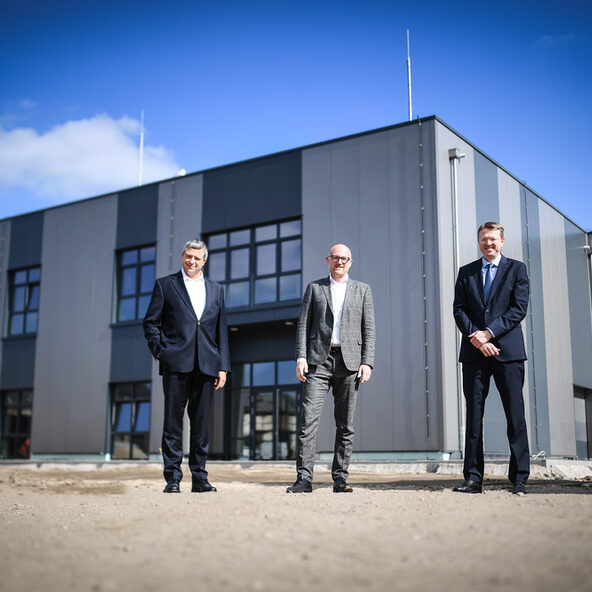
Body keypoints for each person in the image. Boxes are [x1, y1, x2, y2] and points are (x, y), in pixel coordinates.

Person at [287, 244, 375, 493]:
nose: (339, 262)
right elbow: (303, 325)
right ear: (328, 260)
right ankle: (304, 479)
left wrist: (367, 362)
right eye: (335, 257)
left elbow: (369, 329)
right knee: (308, 421)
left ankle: (340, 479)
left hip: (350, 363)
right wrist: (301, 357)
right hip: (318, 361)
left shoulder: (363, 290)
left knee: (345, 425)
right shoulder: (315, 288)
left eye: (344, 258)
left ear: (350, 262)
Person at [143, 239, 230, 493]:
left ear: (204, 261)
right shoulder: (165, 285)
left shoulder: (216, 289)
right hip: (175, 363)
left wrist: (223, 366)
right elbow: (150, 322)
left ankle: (200, 478)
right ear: (182, 257)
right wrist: (160, 351)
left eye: (196, 258)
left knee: (201, 425)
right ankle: (173, 478)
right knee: (173, 423)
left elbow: (221, 330)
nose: (191, 261)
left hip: (207, 365)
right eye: (188, 256)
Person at [453, 222, 530, 495]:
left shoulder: (517, 269)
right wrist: (477, 337)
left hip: (508, 353)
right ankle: (473, 479)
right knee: (474, 416)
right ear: (479, 242)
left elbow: (518, 308)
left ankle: (519, 478)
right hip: (474, 353)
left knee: (515, 414)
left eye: (493, 239)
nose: (488, 243)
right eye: (484, 239)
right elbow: (459, 309)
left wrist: (489, 333)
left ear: (502, 241)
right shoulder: (466, 272)